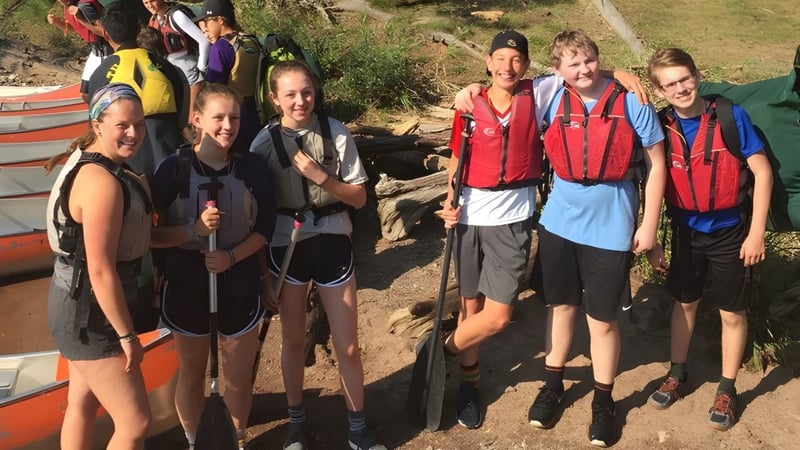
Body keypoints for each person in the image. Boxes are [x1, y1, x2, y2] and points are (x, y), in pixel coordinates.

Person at [445, 30, 652, 431]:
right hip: (470, 215)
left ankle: (441, 351)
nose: (508, 66)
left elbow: (580, 72)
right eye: (500, 58)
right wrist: (448, 200)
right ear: (487, 62)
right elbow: (458, 158)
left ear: (526, 65)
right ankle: (469, 384)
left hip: (514, 216)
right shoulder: (470, 105)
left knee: (498, 314)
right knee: (471, 307)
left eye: (516, 59)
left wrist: (620, 71)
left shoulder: (539, 92)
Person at [523, 30, 665, 447]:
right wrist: (469, 91)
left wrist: (649, 224)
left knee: (602, 319)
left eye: (589, 61)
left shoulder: (631, 100)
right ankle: (554, 384)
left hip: (612, 225)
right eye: (573, 64)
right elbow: (500, 85)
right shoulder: (550, 94)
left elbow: (657, 166)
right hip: (560, 222)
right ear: (557, 70)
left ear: (598, 59)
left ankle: (604, 400)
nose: (583, 69)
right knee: (560, 306)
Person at [249, 60, 386, 450]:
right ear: (274, 98)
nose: (300, 101)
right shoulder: (264, 143)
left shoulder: (336, 133)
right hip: (287, 246)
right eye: (290, 94)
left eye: (306, 92)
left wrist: (321, 178)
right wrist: (262, 275)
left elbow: (358, 198)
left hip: (332, 241)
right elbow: (255, 212)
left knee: (348, 345)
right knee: (293, 340)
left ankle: (357, 431)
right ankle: (296, 426)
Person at [644, 48, 773, 431]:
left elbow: (762, 174)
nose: (680, 88)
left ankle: (727, 387)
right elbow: (648, 183)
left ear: (697, 75)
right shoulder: (659, 125)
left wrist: (756, 232)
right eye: (670, 84)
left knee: (732, 311)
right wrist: (652, 240)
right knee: (684, 304)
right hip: (684, 232)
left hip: (731, 232)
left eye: (685, 78)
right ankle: (677, 372)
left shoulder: (730, 117)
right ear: (659, 90)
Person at [149, 83, 276, 450]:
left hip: (238, 280)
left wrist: (233, 258)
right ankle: (194, 441)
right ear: (197, 119)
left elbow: (265, 228)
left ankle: (232, 439)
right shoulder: (172, 170)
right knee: (191, 373)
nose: (227, 126)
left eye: (234, 117)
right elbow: (152, 236)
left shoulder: (252, 168)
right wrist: (194, 230)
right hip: (187, 280)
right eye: (218, 117)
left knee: (237, 377)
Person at [45, 83, 152, 450]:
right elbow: (101, 270)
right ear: (97, 124)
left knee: (82, 403)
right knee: (135, 421)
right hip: (91, 315)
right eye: (123, 125)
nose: (134, 133)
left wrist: (192, 231)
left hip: (72, 304)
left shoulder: (90, 163)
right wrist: (126, 335)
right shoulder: (100, 182)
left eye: (140, 123)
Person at [89, 0, 189, 180]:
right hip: (171, 157)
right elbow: (182, 105)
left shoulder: (102, 72)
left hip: (128, 165)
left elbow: (95, 119)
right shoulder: (165, 65)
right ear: (138, 30)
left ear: (105, 33)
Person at [194, 0, 262, 149]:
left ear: (220, 20)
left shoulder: (220, 47)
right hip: (256, 115)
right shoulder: (252, 41)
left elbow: (213, 91)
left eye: (206, 21)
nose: (205, 27)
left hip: (231, 120)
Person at [143, 0, 210, 117]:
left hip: (189, 71)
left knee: (192, 116)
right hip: (171, 71)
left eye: (152, 1)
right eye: (145, 3)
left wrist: (202, 67)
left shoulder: (176, 16)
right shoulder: (154, 20)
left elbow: (203, 40)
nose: (149, 6)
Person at [46, 0, 110, 103]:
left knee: (102, 91)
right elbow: (73, 28)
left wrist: (81, 18)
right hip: (95, 51)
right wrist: (57, 23)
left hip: (106, 50)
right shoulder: (69, 7)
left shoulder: (84, 6)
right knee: (85, 94)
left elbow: (106, 33)